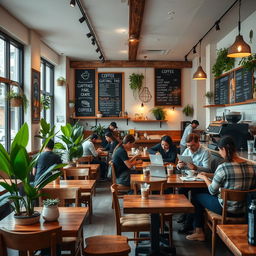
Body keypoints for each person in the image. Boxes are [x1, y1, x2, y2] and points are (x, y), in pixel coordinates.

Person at [186, 136, 256, 241]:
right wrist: (209, 175)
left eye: (219, 150)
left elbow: (212, 191)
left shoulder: (223, 167)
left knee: (196, 196)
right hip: (244, 209)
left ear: (224, 149)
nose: (219, 153)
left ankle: (199, 232)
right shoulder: (252, 167)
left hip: (226, 209)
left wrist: (204, 177)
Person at [176, 133, 212, 233]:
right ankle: (185, 214)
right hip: (188, 178)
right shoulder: (187, 150)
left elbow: (208, 170)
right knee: (181, 191)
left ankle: (188, 223)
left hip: (200, 180)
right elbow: (178, 166)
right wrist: (179, 166)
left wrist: (196, 167)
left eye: (192, 145)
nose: (190, 148)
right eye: (188, 145)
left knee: (194, 197)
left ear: (198, 142)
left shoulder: (206, 152)